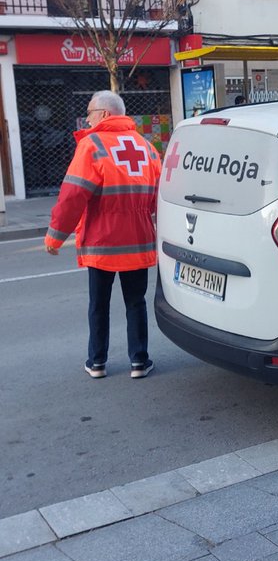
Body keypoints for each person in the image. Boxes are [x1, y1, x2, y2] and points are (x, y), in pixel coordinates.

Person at [45, 90, 162, 379]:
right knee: (136, 302)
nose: (87, 118)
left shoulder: (92, 146)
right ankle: (139, 361)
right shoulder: (147, 147)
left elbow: (73, 195)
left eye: (90, 112)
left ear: (105, 114)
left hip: (102, 243)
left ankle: (97, 362)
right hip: (137, 241)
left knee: (99, 305)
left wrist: (55, 236)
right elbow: (159, 198)